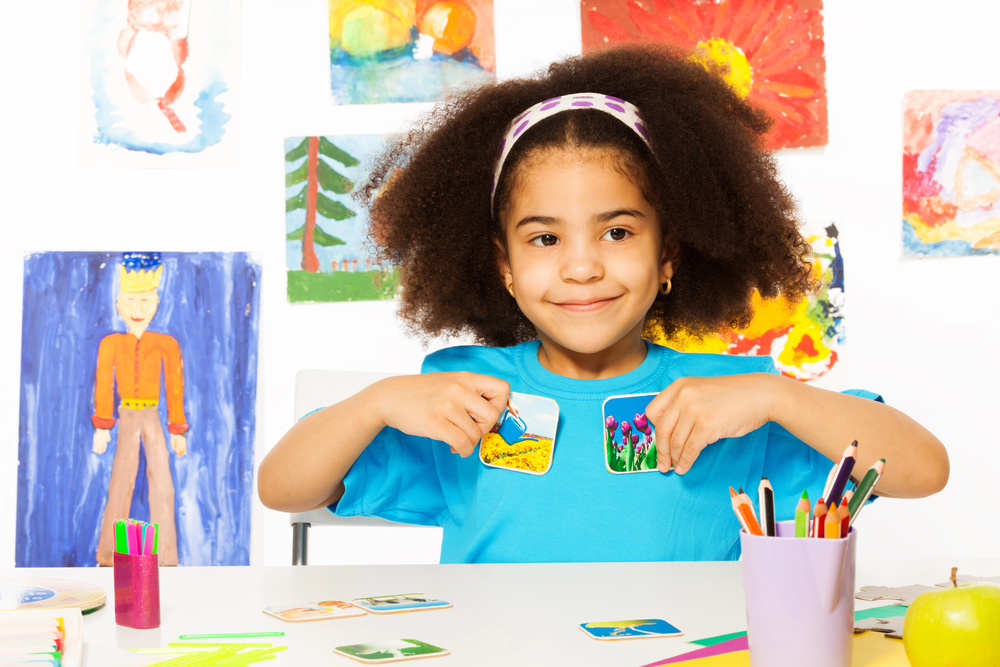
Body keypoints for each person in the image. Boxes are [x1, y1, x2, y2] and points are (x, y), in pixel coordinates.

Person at [258, 44, 949, 563]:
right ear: (502, 265)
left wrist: (780, 400)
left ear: (669, 254)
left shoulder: (728, 400)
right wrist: (378, 400)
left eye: (618, 231)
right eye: (544, 237)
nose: (582, 265)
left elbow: (924, 469)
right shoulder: (462, 396)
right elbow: (283, 488)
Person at [93, 252, 187, 566]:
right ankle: (107, 556)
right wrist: (102, 427)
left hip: (153, 416)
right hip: (125, 416)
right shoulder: (110, 345)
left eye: (145, 302)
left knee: (161, 481)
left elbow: (175, 388)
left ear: (156, 304)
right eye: (131, 302)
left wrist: (178, 430)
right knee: (120, 481)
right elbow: (103, 385)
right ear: (119, 304)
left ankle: (166, 558)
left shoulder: (166, 344)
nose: (137, 310)